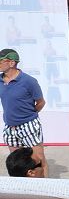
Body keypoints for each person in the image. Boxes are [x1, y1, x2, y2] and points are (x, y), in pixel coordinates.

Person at [0, 49, 47, 177]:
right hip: (10, 127)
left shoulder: (29, 81)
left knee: (39, 159)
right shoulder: (0, 80)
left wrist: (29, 116)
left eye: (1, 61)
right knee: (16, 163)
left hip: (29, 125)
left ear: (11, 63)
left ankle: (47, 188)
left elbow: (41, 102)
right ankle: (21, 188)